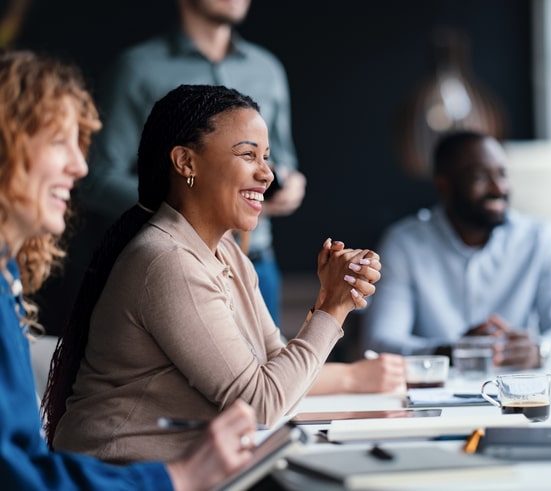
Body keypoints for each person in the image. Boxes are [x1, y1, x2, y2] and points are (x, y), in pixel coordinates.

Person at [43, 83, 391, 465]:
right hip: (120, 476)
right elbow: (263, 403)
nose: (267, 174)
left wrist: (327, 299)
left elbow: (278, 371)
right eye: (248, 155)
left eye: (266, 157)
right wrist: (334, 310)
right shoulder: (166, 260)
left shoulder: (226, 251)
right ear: (185, 162)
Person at [0, 49, 262, 491]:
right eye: (58, 141)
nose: (80, 166)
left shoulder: (6, 275)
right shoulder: (164, 257)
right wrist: (176, 477)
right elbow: (14, 474)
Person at [42, 0, 303, 334]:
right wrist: (190, 206)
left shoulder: (267, 69)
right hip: (177, 263)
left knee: (275, 371)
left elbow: (282, 160)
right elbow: (99, 178)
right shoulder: (137, 69)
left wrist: (289, 183)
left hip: (256, 261)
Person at [362, 130, 551, 369]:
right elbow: (379, 343)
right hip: (433, 394)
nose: (498, 188)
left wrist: (541, 352)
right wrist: (451, 352)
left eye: (502, 174)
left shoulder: (541, 240)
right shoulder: (404, 244)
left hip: (519, 394)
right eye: (480, 177)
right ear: (444, 185)